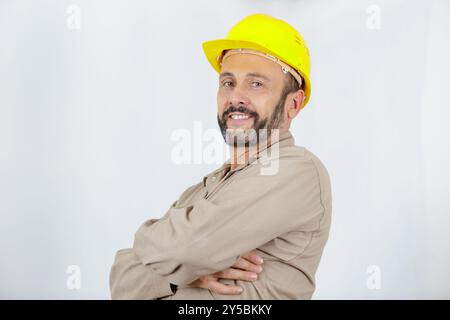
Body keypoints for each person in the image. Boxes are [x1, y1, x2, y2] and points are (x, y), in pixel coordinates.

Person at [110, 13, 332, 300]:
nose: (235, 96)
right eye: (228, 82)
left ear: (293, 103)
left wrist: (161, 254)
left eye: (256, 84)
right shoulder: (202, 190)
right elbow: (120, 279)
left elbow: (184, 248)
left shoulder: (297, 172)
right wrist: (188, 274)